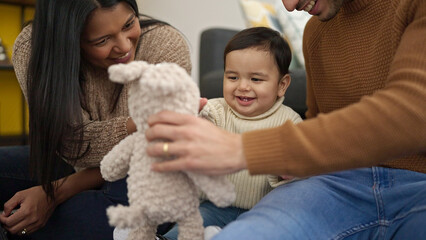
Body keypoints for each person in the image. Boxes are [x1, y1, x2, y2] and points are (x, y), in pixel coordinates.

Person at [145, 0, 426, 239]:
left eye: (256, 78)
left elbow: (414, 111)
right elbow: (318, 122)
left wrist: (245, 149)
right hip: (336, 184)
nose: (291, 6)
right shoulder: (315, 32)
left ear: (282, 85)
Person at [0, 0, 191, 239]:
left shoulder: (164, 44)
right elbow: (72, 145)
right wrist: (139, 124)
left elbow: (147, 148)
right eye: (101, 40)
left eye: (130, 23)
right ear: (70, 40)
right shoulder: (35, 47)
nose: (123, 47)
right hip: (76, 164)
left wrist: (54, 194)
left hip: (145, 172)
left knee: (43, 226)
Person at [162, 27, 302, 240]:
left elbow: (302, 174)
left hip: (264, 212)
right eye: (233, 77)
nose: (243, 87)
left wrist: (289, 172)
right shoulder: (216, 110)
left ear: (282, 85)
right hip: (213, 205)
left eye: (256, 79)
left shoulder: (290, 123)